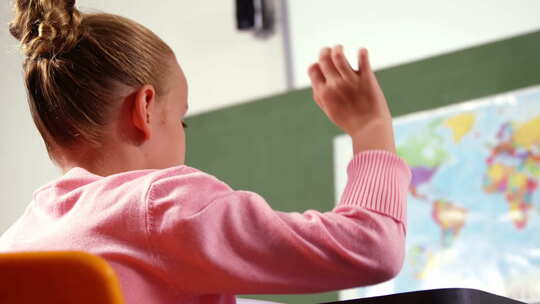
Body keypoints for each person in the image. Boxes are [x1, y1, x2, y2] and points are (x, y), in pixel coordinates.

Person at [0, 0, 411, 303]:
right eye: (181, 119)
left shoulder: (17, 243)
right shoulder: (158, 205)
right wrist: (370, 128)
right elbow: (371, 248)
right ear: (144, 109)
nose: (183, 133)